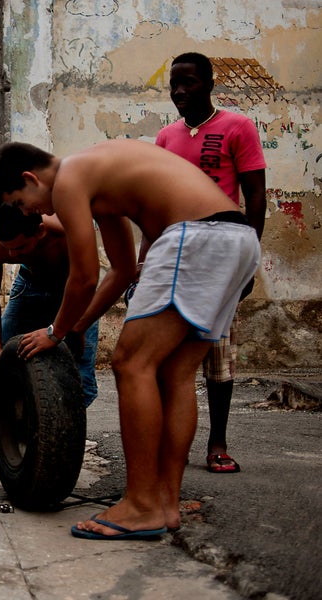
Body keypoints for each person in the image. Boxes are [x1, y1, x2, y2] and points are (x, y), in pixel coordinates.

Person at [0, 139, 259, 540]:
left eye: (20, 203)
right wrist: (78, 326)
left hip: (196, 234)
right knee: (176, 374)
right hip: (236, 238)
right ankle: (165, 504)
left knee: (131, 363)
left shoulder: (68, 180)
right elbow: (121, 269)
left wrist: (54, 332)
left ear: (30, 177)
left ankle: (141, 505)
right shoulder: (96, 174)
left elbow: (83, 277)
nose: (31, 214)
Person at [154, 52, 266, 474]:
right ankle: (172, 440)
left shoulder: (237, 127)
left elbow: (256, 193)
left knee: (218, 356)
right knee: (167, 355)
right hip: (176, 253)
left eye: (189, 82)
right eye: (174, 84)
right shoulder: (166, 137)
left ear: (210, 83)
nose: (180, 91)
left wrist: (248, 259)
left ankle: (217, 443)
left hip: (222, 254)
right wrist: (147, 261)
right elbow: (157, 202)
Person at [0, 204, 103, 470]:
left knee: (82, 382)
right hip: (29, 285)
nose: (12, 255)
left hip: (73, 288)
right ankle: (0, 439)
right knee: (6, 368)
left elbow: (86, 281)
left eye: (19, 249)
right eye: (9, 250)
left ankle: (48, 441)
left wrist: (73, 329)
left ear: (39, 232)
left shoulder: (68, 233)